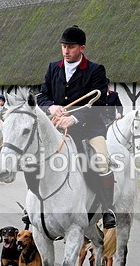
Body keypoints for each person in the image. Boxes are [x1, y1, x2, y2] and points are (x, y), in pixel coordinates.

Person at [38, 25, 116, 228]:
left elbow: (98, 103)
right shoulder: (53, 68)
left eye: (71, 47)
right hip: (57, 127)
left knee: (101, 160)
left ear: (82, 48)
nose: (66, 51)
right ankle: (34, 207)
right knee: (35, 157)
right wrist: (51, 107)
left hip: (88, 128)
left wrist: (75, 118)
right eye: (64, 46)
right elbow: (42, 96)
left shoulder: (95, 70)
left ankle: (108, 209)